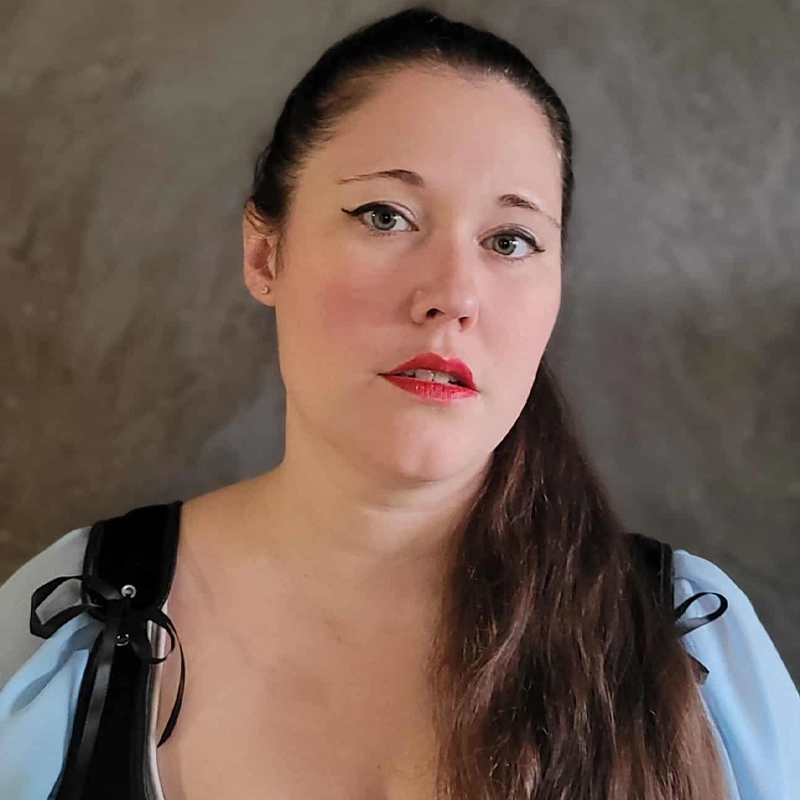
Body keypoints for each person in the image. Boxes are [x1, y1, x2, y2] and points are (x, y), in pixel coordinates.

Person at [1, 6, 798, 800]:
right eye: (385, 216)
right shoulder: (75, 622)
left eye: (510, 240)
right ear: (264, 253)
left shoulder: (688, 639)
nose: (452, 295)